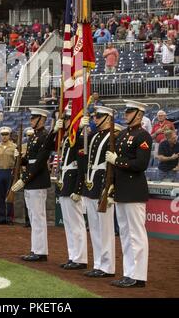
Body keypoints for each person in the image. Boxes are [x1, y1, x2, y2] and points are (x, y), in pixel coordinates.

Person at [106, 100, 153, 288]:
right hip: (122, 190)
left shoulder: (143, 136)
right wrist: (112, 186)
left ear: (139, 115)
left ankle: (139, 276)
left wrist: (118, 161)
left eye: (129, 112)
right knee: (125, 233)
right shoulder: (124, 134)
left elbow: (140, 165)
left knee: (136, 234)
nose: (125, 115)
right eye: (126, 112)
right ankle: (128, 273)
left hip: (134, 190)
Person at [79, 106, 116, 278]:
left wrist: (110, 189)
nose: (95, 119)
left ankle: (107, 266)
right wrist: (81, 130)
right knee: (94, 227)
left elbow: (112, 166)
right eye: (94, 116)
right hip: (91, 183)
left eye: (99, 116)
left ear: (108, 118)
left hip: (103, 183)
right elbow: (81, 152)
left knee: (105, 228)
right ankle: (98, 263)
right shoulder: (95, 136)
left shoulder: (114, 135)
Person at [11, 108, 50, 262]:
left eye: (34, 118)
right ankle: (36, 248)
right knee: (34, 217)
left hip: (37, 179)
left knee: (38, 217)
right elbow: (30, 159)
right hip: (32, 179)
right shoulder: (34, 136)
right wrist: (20, 158)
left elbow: (40, 163)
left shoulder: (44, 136)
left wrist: (24, 178)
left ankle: (40, 251)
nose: (31, 120)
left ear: (42, 119)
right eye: (31, 118)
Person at [53, 106, 88, 270]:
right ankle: (73, 255)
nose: (65, 122)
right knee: (68, 223)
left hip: (72, 183)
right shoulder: (67, 138)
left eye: (67, 119)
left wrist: (78, 189)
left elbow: (82, 166)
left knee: (76, 223)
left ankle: (80, 258)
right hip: (64, 182)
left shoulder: (79, 138)